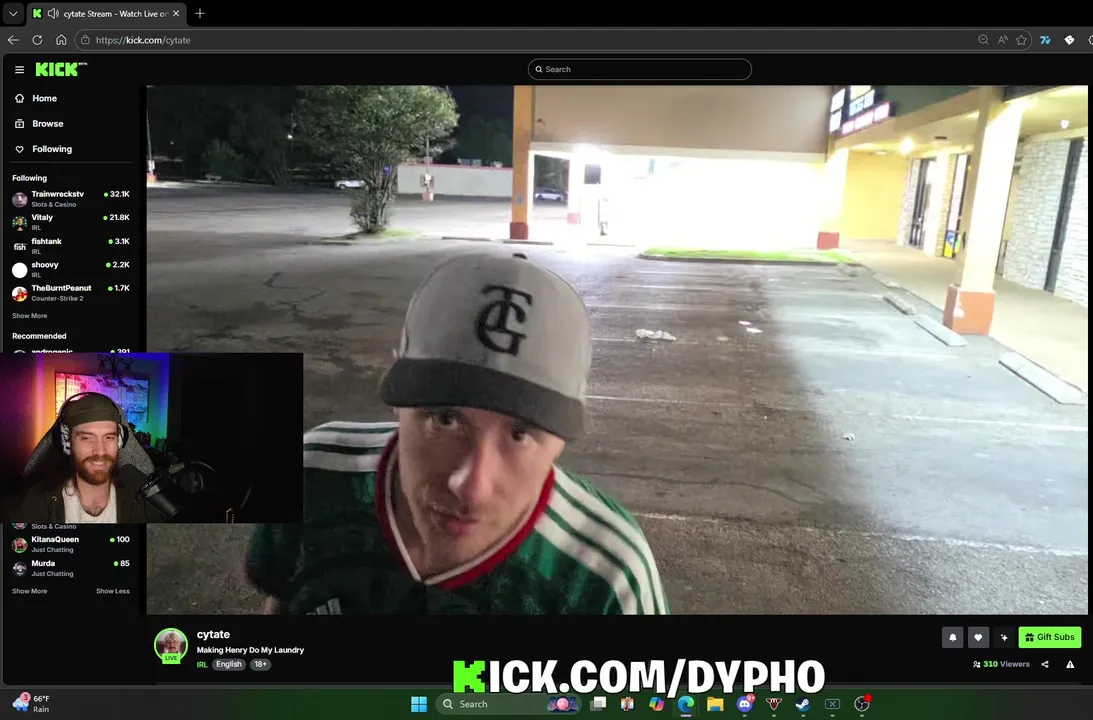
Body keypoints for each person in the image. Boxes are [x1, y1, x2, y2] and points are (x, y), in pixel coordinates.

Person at [245, 248, 668, 615]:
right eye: (445, 419)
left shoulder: (607, 579)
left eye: (520, 433)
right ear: (398, 403)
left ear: (560, 441)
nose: (470, 487)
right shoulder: (312, 476)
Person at [4, 393, 150, 523]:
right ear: (67, 442)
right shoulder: (33, 505)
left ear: (120, 441)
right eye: (86, 438)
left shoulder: (139, 505)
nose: (100, 451)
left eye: (109, 437)